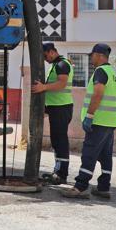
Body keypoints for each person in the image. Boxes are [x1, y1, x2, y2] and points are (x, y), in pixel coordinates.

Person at [62, 43, 116, 199]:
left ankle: (80, 187)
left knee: (89, 153)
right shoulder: (112, 72)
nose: (91, 57)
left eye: (92, 54)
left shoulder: (100, 72)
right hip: (110, 121)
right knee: (105, 156)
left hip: (99, 121)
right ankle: (103, 187)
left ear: (100, 55)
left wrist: (89, 116)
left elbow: (98, 94)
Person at [31, 42, 74, 184]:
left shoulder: (62, 64)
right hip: (56, 107)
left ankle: (62, 175)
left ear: (51, 52)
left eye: (45, 56)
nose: (45, 59)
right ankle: (58, 171)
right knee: (56, 140)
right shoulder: (56, 66)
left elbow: (61, 84)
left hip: (61, 107)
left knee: (60, 141)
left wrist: (43, 87)